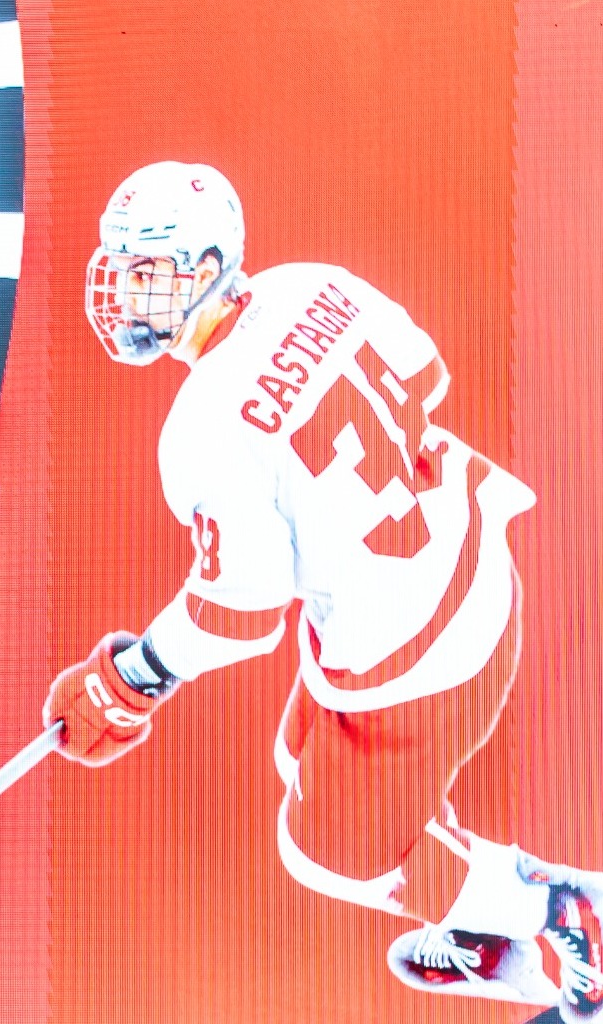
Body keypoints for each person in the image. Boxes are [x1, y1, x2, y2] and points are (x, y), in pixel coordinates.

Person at [43, 160, 601, 1022]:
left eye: (144, 272)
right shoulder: (313, 282)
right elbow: (426, 376)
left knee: (323, 853)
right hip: (473, 566)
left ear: (203, 270)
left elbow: (244, 614)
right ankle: (496, 921)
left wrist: (129, 681)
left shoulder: (198, 430)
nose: (121, 291)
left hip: (417, 660)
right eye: (119, 266)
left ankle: (554, 919)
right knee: (300, 761)